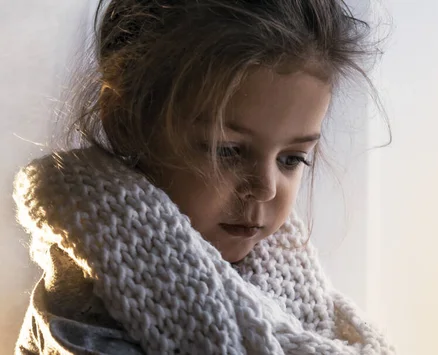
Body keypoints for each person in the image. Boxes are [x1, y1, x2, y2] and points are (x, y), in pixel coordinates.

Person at [13, 0, 393, 353]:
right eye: (227, 150)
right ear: (128, 121)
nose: (265, 188)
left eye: (292, 159)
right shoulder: (84, 330)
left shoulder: (283, 285)